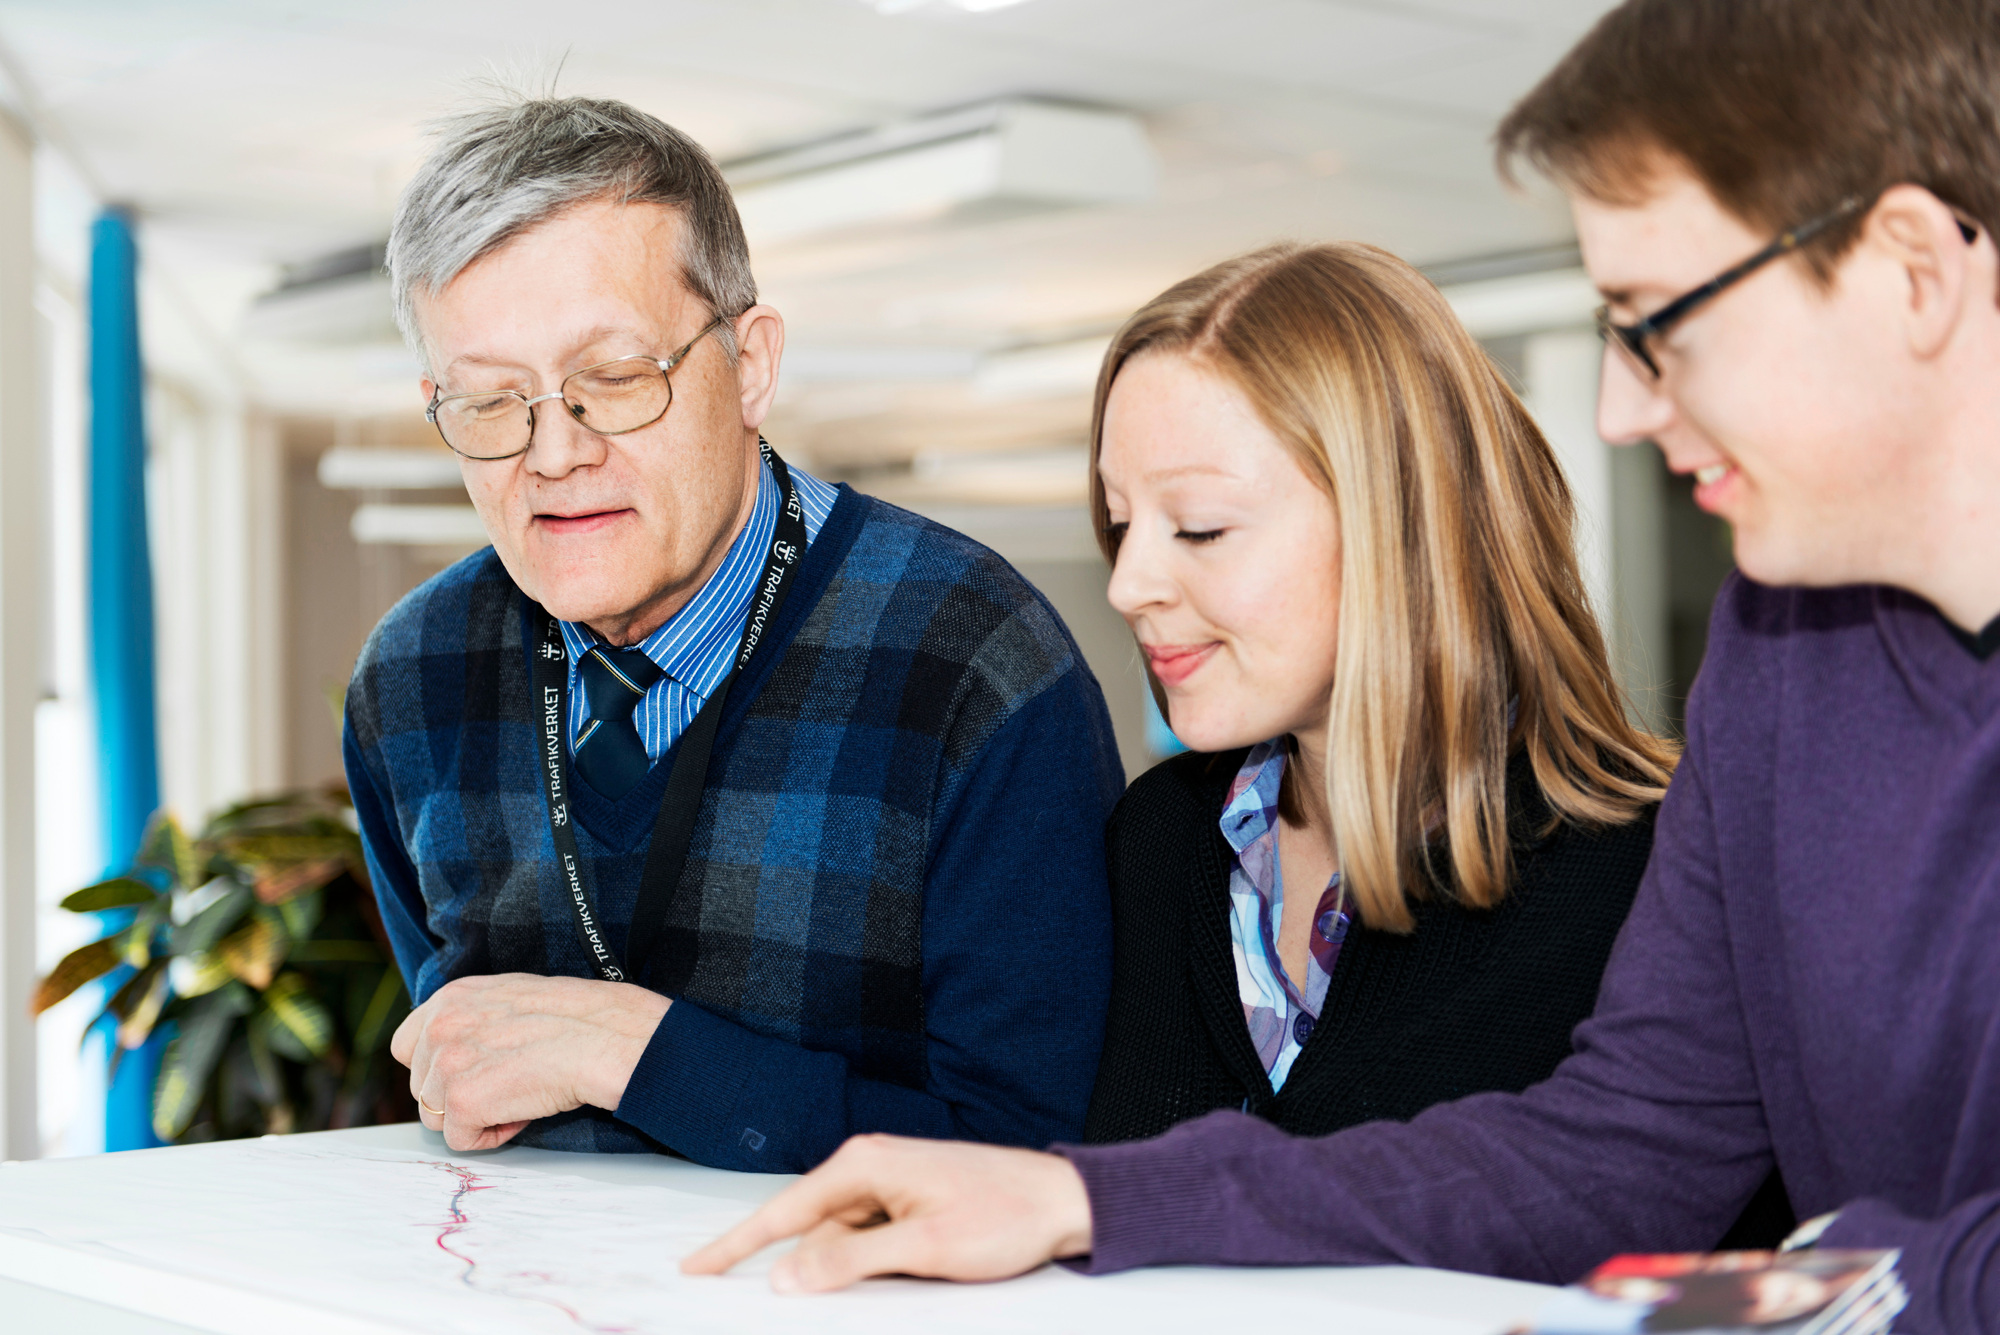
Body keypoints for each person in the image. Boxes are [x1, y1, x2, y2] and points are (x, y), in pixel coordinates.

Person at [682, 1, 2000, 1328]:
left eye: (1659, 319)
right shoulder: (1781, 653)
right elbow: (1625, 1143)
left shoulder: (1653, 788)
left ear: (1910, 269)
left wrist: (1862, 1282)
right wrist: (1093, 1198)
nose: (1620, 406)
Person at [341, 95, 1124, 1172]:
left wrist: (636, 1057)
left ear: (749, 363)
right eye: (488, 401)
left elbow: (1045, 1152)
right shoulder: (411, 679)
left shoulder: (972, 660)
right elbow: (467, 1071)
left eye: (612, 380)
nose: (553, 453)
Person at [1071, 243, 1681, 1164]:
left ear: (1400, 522)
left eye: (1199, 526)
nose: (1128, 584)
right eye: (1121, 525)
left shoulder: (1649, 868)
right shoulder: (1158, 838)